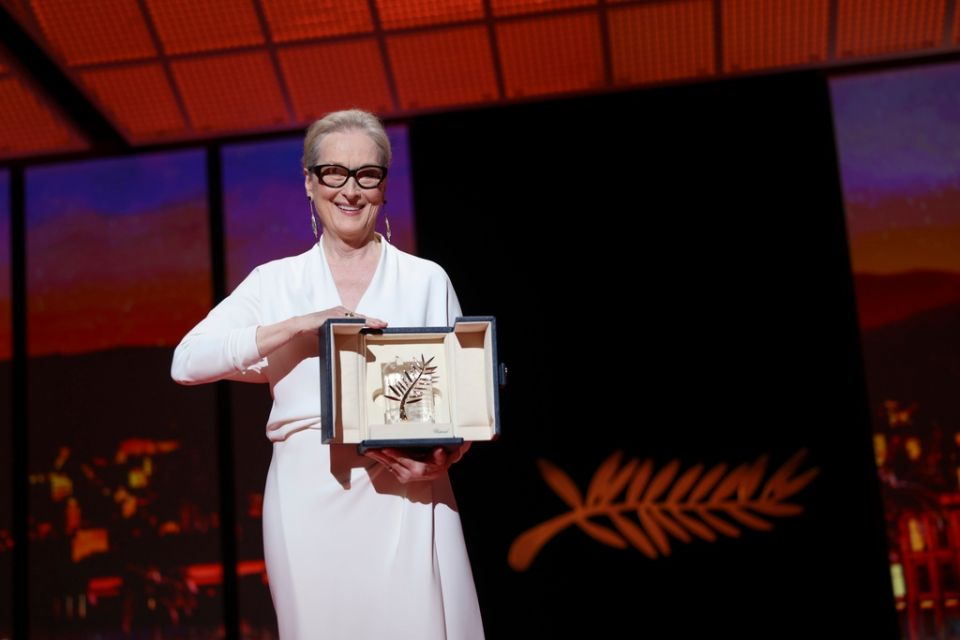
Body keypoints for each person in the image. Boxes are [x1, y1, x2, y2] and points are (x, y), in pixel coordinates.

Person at [171, 109, 483, 639]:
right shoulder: (276, 282)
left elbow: (463, 405)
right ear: (310, 182)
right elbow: (187, 361)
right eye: (334, 172)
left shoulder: (426, 279)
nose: (351, 190)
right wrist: (298, 325)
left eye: (367, 175)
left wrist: (443, 459)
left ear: (384, 188)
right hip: (307, 497)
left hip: (407, 497)